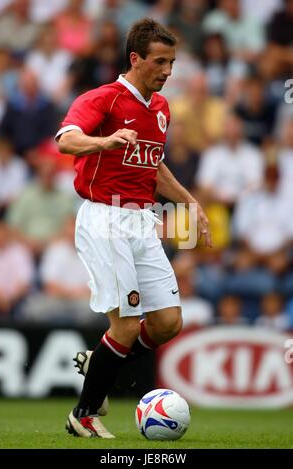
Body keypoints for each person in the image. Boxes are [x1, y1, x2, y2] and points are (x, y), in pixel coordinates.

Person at [56, 18, 212, 439]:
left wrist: (189, 201)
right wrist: (103, 142)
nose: (167, 70)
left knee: (166, 323)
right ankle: (83, 415)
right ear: (135, 58)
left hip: (142, 219)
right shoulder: (103, 98)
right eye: (160, 61)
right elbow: (66, 140)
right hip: (105, 217)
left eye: (172, 62)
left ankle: (100, 362)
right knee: (125, 325)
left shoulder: (160, 109)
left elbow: (152, 165)